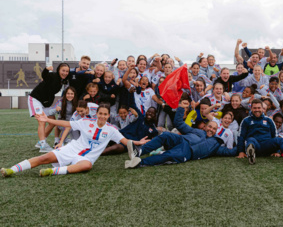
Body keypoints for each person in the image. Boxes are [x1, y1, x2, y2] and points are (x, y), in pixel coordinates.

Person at [1, 104, 149, 178]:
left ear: (109, 115)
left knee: (86, 166)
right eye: (100, 114)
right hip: (72, 149)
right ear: (96, 114)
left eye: (105, 114)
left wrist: (138, 142)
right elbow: (66, 124)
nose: (102, 116)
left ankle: (52, 172)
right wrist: (46, 119)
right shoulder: (86, 121)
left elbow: (124, 141)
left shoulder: (111, 130)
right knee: (44, 157)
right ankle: (11, 170)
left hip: (86, 157)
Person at [124, 101, 237, 168]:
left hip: (187, 152)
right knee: (166, 135)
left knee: (168, 155)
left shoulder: (215, 144)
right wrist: (181, 108)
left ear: (216, 131)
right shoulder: (198, 131)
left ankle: (139, 163)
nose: (211, 129)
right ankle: (139, 151)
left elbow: (229, 151)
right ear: (206, 126)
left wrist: (242, 148)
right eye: (210, 127)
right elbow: (179, 124)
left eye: (214, 129)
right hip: (180, 140)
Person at [236, 99, 283, 164]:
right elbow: (241, 136)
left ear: (262, 108)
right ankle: (251, 155)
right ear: (251, 109)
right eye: (255, 108)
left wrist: (276, 151)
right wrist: (241, 152)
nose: (257, 110)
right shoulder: (246, 120)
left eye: (259, 108)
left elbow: (274, 135)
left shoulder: (269, 120)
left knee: (280, 140)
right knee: (250, 140)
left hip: (267, 145)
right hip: (255, 145)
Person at [29, 63, 70, 152]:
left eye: (67, 71)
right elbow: (44, 75)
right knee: (42, 121)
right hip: (36, 99)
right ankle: (43, 145)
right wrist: (47, 69)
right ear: (59, 70)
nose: (65, 73)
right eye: (63, 70)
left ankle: (40, 142)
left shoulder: (62, 81)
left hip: (45, 103)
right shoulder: (53, 75)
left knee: (52, 122)